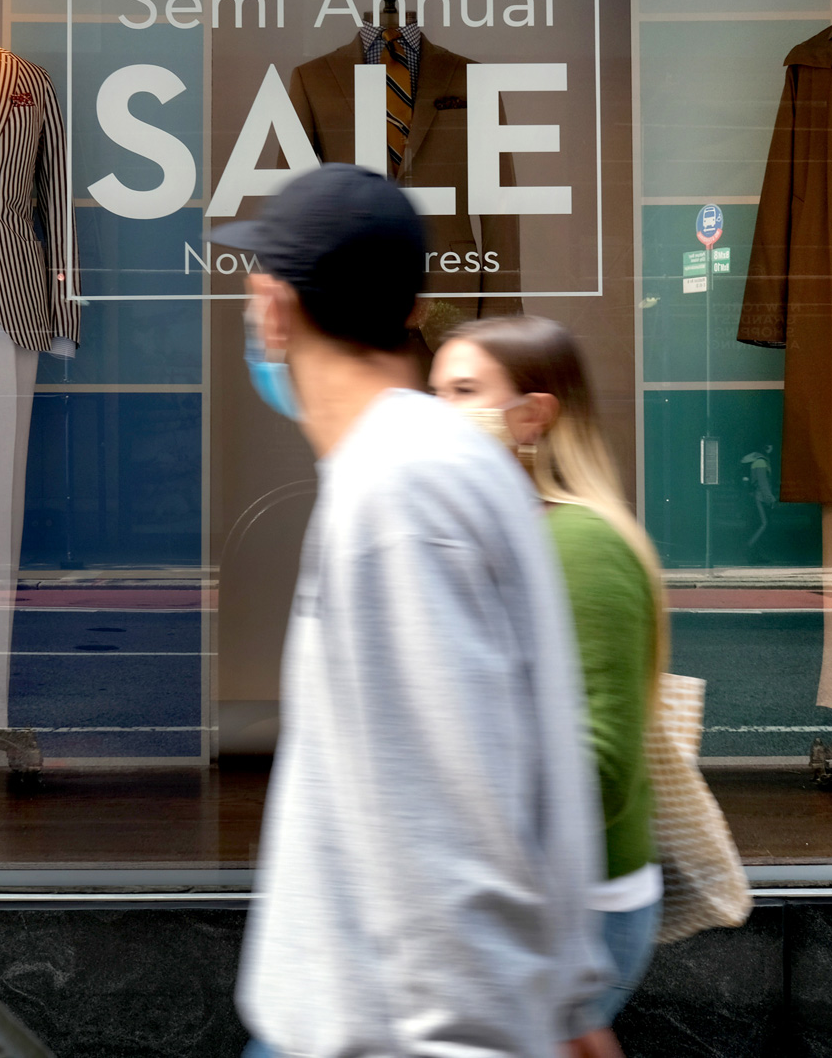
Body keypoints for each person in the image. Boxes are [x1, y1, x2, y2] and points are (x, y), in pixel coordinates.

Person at [212, 166, 614, 1058]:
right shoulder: (442, 462)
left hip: (376, 1029)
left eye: (254, 294)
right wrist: (576, 1008)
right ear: (410, 309)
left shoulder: (397, 495)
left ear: (275, 307)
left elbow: (449, 827)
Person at [431, 315, 667, 1034]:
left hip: (573, 908)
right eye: (434, 390)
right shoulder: (505, 528)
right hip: (533, 903)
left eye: (465, 390)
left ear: (533, 415)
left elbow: (596, 765)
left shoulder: (579, 542)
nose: (440, 412)